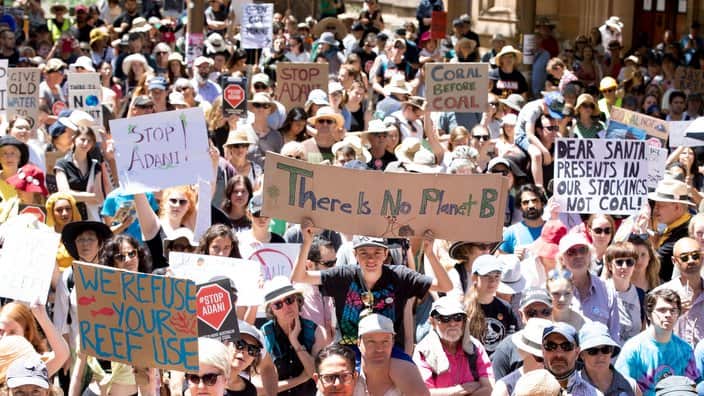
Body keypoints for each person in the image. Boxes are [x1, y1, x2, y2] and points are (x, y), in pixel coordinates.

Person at [291, 219, 449, 395]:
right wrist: (306, 243)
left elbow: (445, 286)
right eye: (364, 253)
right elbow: (300, 277)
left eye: (377, 252)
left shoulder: (400, 276)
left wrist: (429, 253)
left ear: (385, 253)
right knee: (330, 381)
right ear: (355, 254)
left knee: (411, 378)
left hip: (386, 349)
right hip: (347, 350)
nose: (371, 258)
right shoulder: (345, 275)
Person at [616, 289, 701, 395]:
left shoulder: (685, 350)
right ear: (648, 314)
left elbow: (693, 387)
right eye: (662, 310)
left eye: (673, 310)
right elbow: (621, 388)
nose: (668, 314)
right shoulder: (633, 349)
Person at [413, 296, 494, 394]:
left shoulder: (475, 347)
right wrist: (458, 391)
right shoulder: (423, 351)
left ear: (464, 322)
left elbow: (489, 388)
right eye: (445, 318)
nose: (452, 324)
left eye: (458, 318)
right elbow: (423, 393)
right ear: (432, 321)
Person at [261, 276, 326, 395]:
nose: (286, 307)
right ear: (272, 310)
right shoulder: (264, 335)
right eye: (278, 305)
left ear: (297, 300)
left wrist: (295, 342)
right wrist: (300, 379)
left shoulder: (317, 331)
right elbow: (260, 387)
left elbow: (316, 375)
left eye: (289, 300)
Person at [557, 233, 620, 340]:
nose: (578, 255)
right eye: (571, 252)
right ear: (562, 259)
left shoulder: (607, 290)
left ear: (590, 254)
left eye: (583, 250)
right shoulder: (552, 290)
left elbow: (614, 333)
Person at [491, 288, 553, 380]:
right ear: (521, 315)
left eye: (545, 312)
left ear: (553, 313)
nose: (539, 317)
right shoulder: (506, 348)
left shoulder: (564, 344)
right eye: (531, 313)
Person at [465, 255, 519, 355]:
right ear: (474, 278)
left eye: (497, 276)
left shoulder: (505, 308)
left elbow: (513, 342)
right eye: (487, 275)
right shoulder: (465, 309)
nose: (493, 281)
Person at [654, 237, 704, 346]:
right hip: (672, 360)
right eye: (684, 258)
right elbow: (651, 337)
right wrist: (672, 314)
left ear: (702, 257)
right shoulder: (660, 295)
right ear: (674, 261)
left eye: (695, 256)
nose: (691, 260)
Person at [649, 178, 695, 281]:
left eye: (660, 205)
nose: (655, 209)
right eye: (655, 205)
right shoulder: (676, 226)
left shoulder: (686, 232)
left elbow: (651, 263)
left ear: (677, 207)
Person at [492, 317, 552, 395]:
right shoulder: (504, 387)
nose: (545, 364)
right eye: (540, 358)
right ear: (522, 352)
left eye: (551, 358)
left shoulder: (560, 379)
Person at [578, 322, 640, 396]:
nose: (600, 356)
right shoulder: (569, 388)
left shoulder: (631, 386)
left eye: (606, 349)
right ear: (581, 354)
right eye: (593, 351)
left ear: (612, 351)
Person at [603, 242, 646, 344]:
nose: (624, 266)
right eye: (619, 262)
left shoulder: (640, 294)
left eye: (629, 262)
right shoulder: (601, 291)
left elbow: (643, 331)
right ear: (609, 266)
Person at [541, 322, 601, 395]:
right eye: (550, 346)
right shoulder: (525, 389)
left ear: (577, 353)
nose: (559, 354)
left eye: (567, 346)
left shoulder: (593, 394)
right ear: (542, 351)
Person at [499, 184, 547, 258]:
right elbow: (498, 256)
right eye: (525, 202)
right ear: (520, 207)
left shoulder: (552, 229)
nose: (531, 206)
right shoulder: (512, 232)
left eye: (534, 201)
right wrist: (512, 257)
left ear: (542, 203)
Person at [227, 320, 264, 395]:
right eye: (240, 344)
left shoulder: (250, 390)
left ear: (254, 359)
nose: (245, 352)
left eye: (252, 350)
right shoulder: (205, 379)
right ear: (226, 344)